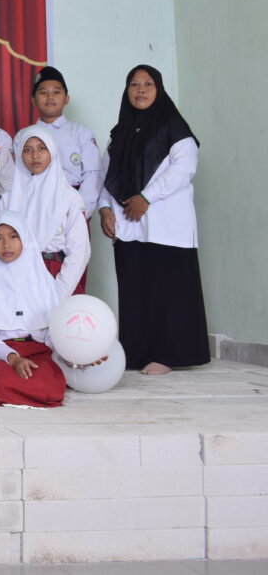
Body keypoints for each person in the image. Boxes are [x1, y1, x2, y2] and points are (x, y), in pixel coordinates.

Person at [98, 65, 208, 375]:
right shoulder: (120, 133)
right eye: (134, 84)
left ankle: (168, 355)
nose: (141, 90)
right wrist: (105, 209)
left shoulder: (174, 126)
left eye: (148, 84)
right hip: (129, 226)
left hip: (166, 225)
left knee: (168, 292)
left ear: (159, 89)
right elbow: (106, 176)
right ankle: (136, 352)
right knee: (136, 291)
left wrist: (146, 197)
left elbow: (184, 168)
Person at [0, 211, 67, 407]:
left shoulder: (42, 281)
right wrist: (12, 358)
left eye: (13, 236)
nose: (6, 245)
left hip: (36, 351)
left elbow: (54, 330)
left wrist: (75, 352)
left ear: (25, 238)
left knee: (52, 387)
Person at [5, 127, 90, 298]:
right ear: (20, 155)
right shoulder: (8, 199)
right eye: (27, 150)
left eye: (42, 148)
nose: (35, 155)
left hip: (56, 275)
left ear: (52, 151)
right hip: (17, 278)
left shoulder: (70, 198)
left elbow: (80, 250)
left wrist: (59, 292)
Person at [21, 66, 102, 215]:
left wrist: (80, 211)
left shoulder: (81, 132)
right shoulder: (23, 136)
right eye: (43, 92)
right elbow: (19, 177)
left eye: (56, 92)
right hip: (35, 207)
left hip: (74, 204)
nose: (50, 97)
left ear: (66, 99)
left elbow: (93, 175)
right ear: (33, 100)